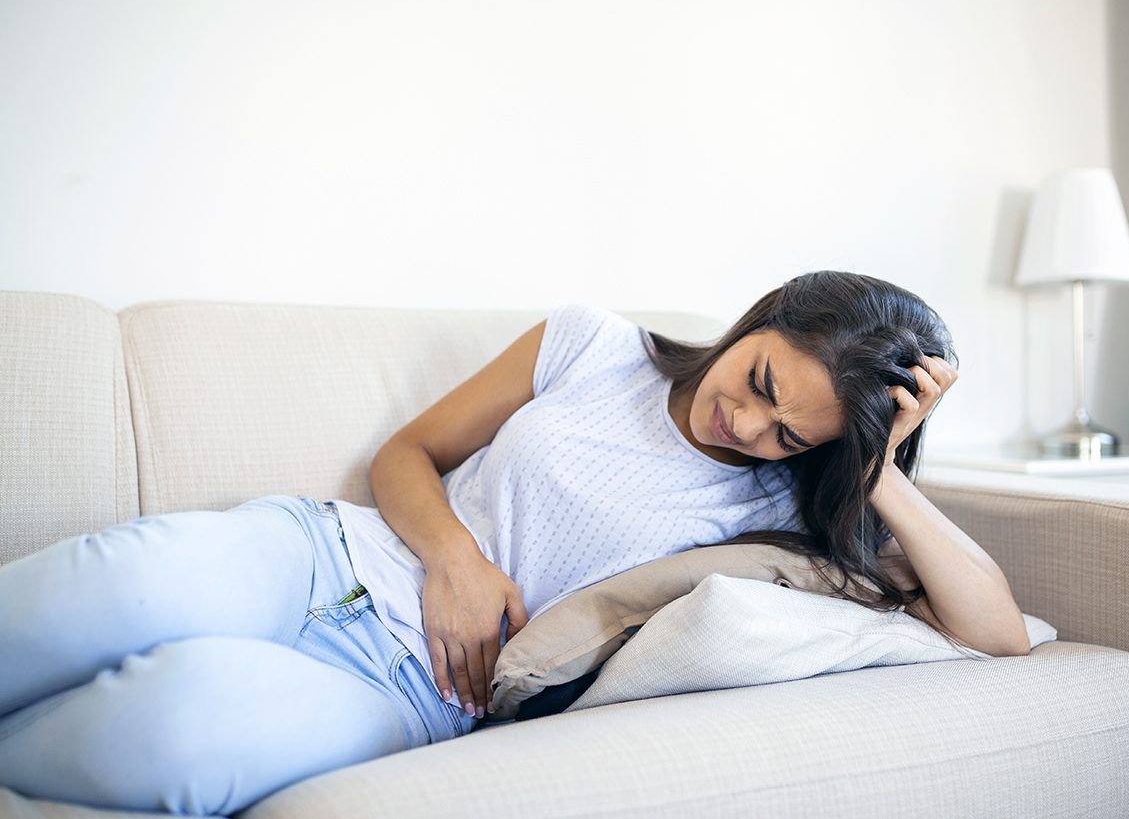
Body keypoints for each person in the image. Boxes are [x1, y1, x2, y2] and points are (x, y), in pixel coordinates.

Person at [0, 270, 1028, 816]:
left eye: (788, 432)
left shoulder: (788, 515)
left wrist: (876, 464)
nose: (747, 428)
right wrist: (454, 556)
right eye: (759, 383)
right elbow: (406, 452)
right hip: (323, 552)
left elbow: (994, 632)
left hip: (413, 695)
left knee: (183, 722)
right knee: (121, 584)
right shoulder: (590, 341)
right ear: (759, 320)